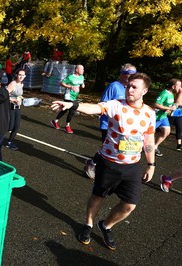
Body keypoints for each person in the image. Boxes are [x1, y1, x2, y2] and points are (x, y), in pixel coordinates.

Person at [51, 72, 156, 251]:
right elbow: (94, 108)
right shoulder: (116, 105)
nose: (129, 89)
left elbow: (148, 140)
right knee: (98, 196)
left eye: (134, 87)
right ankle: (89, 224)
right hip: (109, 163)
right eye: (128, 85)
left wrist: (151, 164)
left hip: (132, 166)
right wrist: (72, 104)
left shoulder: (149, 113)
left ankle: (106, 225)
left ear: (144, 91)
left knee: (129, 205)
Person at [85, 63, 137, 179]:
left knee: (118, 148)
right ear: (122, 75)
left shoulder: (131, 89)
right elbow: (103, 104)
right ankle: (92, 163)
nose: (133, 76)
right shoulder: (114, 86)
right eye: (130, 74)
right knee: (107, 147)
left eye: (135, 74)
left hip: (123, 125)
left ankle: (107, 168)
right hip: (108, 124)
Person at [51, 64, 85, 133]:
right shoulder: (70, 77)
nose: (83, 70)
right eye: (81, 69)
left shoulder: (82, 77)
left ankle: (55, 121)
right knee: (72, 110)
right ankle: (67, 126)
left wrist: (83, 85)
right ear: (76, 70)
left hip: (74, 96)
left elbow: (82, 83)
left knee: (64, 110)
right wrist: (70, 87)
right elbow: (61, 83)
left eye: (83, 69)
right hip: (68, 96)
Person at [152, 78, 181, 156]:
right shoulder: (164, 93)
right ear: (173, 86)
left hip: (163, 117)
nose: (180, 88)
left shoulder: (171, 94)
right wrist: (169, 108)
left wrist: (172, 107)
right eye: (179, 86)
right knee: (146, 134)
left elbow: (168, 105)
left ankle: (154, 147)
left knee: (166, 132)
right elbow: (155, 104)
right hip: (156, 118)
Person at [5, 68, 26, 151]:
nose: (21, 76)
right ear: (16, 75)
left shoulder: (22, 84)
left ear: (25, 76)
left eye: (22, 75)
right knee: (10, 127)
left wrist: (21, 98)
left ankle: (9, 142)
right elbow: (5, 95)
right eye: (19, 74)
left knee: (16, 126)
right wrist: (13, 100)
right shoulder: (12, 84)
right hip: (10, 107)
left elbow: (18, 95)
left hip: (17, 107)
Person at [169, 86, 182, 151]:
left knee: (179, 128)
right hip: (175, 110)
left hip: (180, 112)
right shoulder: (180, 89)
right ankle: (149, 136)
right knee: (164, 126)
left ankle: (179, 145)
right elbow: (177, 102)